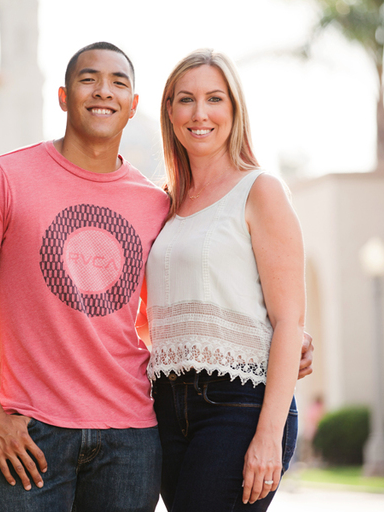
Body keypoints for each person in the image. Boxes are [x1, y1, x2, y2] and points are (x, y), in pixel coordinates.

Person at [0, 42, 314, 512]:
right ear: (62, 96)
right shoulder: (10, 178)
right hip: (46, 431)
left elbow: (259, 311)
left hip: (136, 436)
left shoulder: (171, 201)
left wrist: (279, 341)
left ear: (134, 104)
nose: (104, 91)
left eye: (118, 82)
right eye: (88, 79)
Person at [140, 48, 306, 511]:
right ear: (169, 111)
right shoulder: (162, 205)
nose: (200, 113)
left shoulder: (261, 190)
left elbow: (290, 320)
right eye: (186, 99)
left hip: (239, 405)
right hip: (166, 407)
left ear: (234, 109)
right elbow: (147, 319)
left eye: (215, 99)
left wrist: (269, 436)